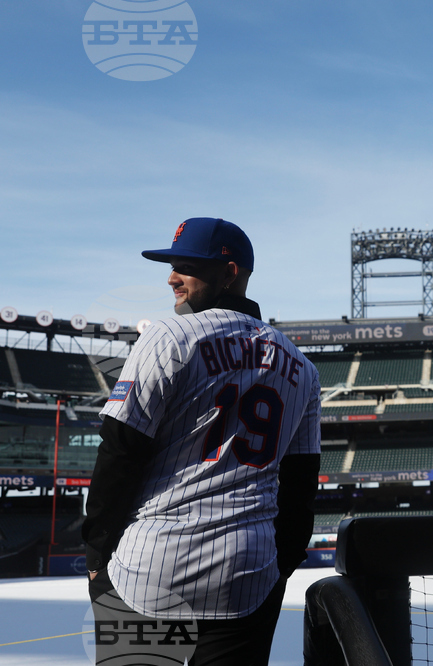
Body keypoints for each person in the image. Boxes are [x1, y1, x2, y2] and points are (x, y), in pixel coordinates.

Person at [82, 217, 321, 665]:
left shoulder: (167, 337)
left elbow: (119, 452)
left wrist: (97, 559)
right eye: (172, 265)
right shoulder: (303, 367)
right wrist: (279, 568)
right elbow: (301, 483)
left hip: (150, 565)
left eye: (187, 266)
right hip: (246, 572)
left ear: (229, 273)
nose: (172, 276)